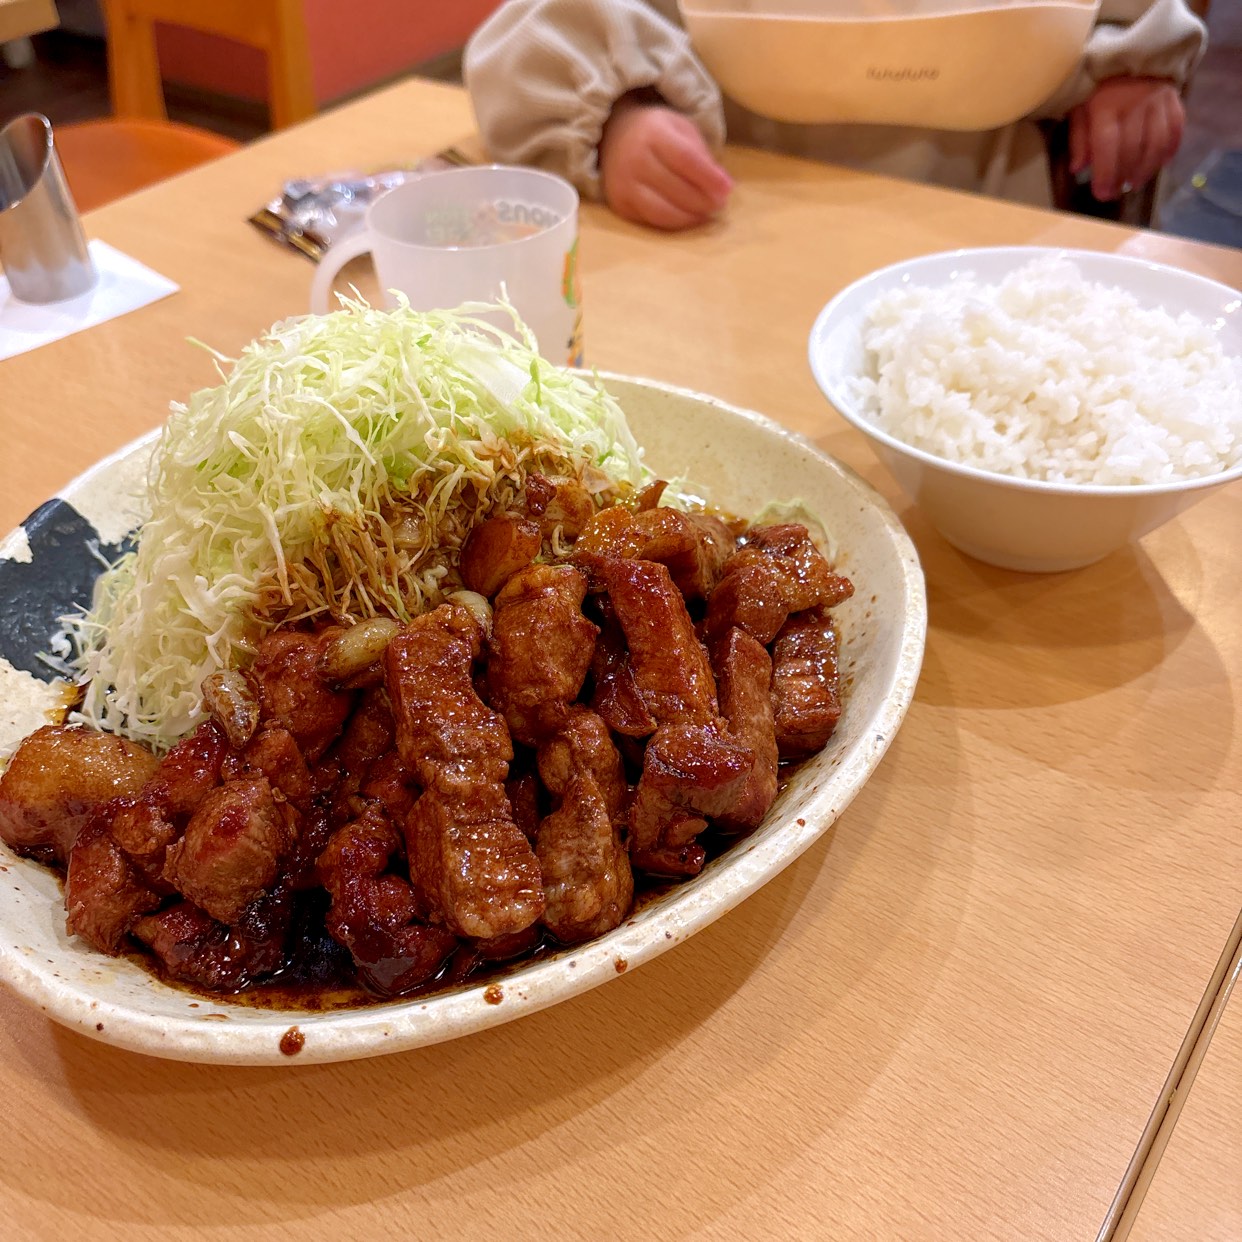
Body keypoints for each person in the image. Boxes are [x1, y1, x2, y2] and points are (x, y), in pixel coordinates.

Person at [464, 0, 1207, 231]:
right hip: (735, 228)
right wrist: (624, 115)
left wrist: (1130, 68)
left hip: (983, 224)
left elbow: (1124, 18)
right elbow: (540, 33)